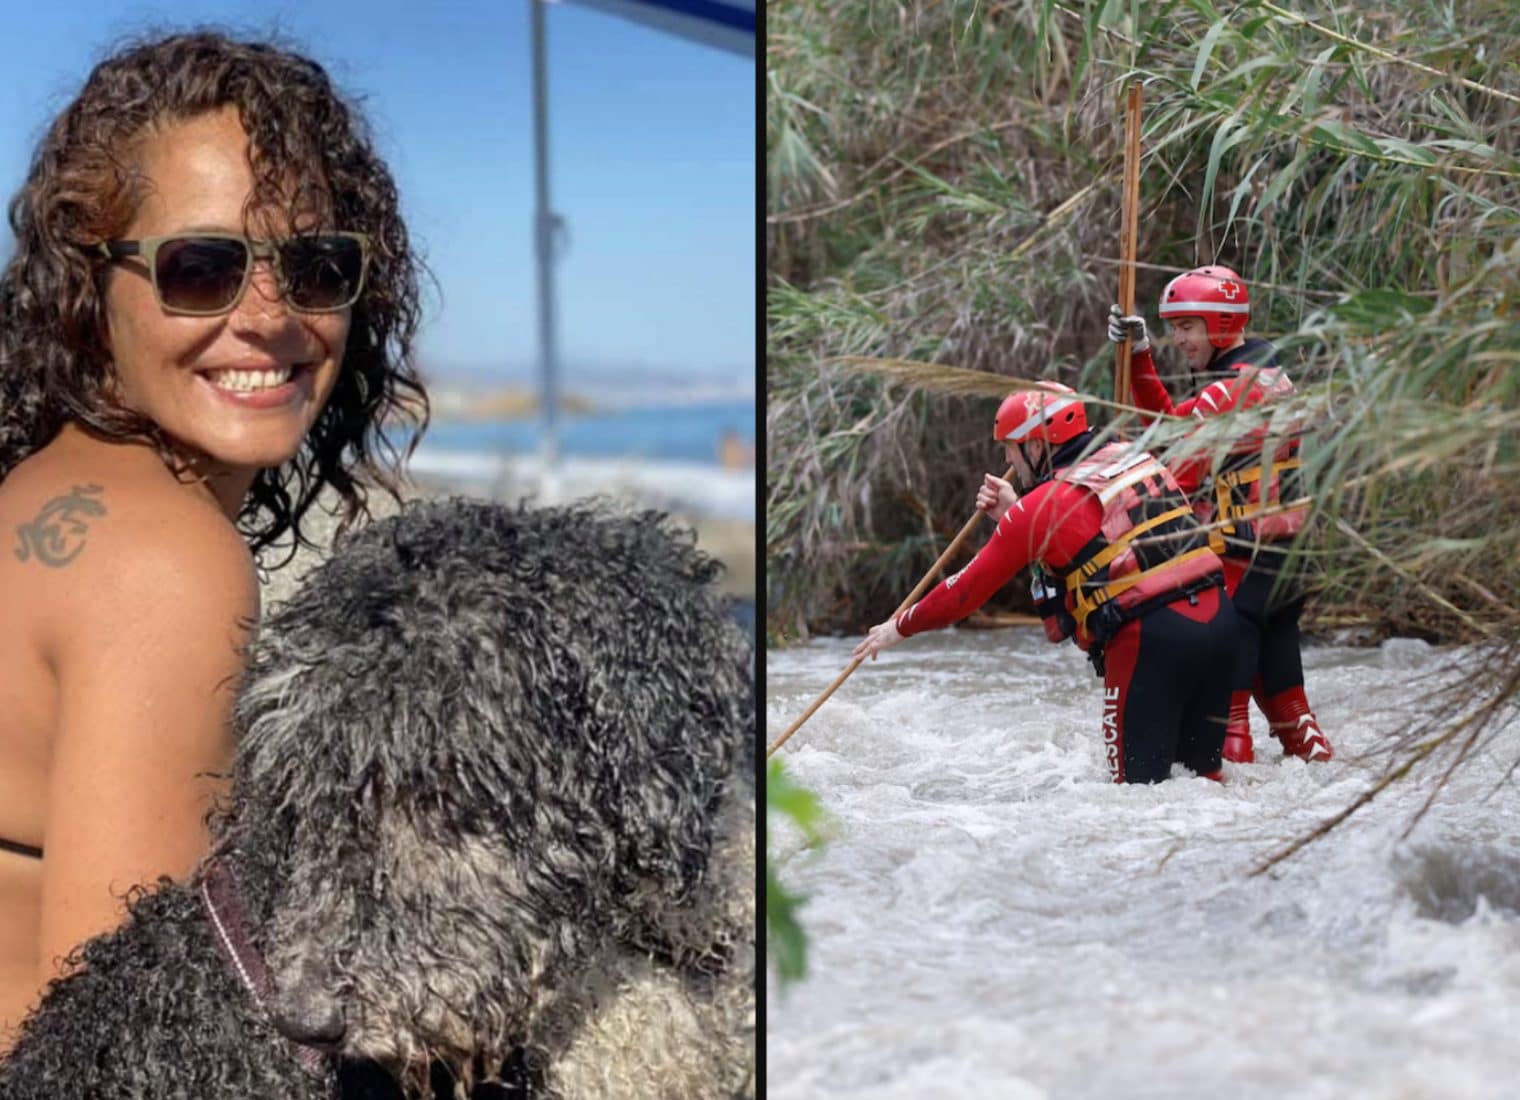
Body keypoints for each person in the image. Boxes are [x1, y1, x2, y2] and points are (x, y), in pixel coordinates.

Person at [0, 31, 427, 1049]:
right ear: (88, 293)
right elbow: (117, 1039)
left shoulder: (45, 484)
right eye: (203, 268)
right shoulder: (163, 560)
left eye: (314, 266)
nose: (270, 316)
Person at [853, 384, 1240, 784]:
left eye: (1011, 446)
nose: (1006, 457)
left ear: (1037, 447)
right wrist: (1014, 512)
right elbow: (1095, 534)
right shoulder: (1135, 458)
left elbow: (964, 591)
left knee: (1136, 794)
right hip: (1221, 623)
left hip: (1153, 640)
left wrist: (897, 627)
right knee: (1203, 783)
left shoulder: (1036, 509)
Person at [1108, 265, 1333, 765]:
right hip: (1289, 559)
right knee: (1288, 704)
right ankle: (1314, 786)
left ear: (1221, 324)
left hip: (1245, 559)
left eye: (1189, 326)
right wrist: (1142, 356)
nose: (1179, 338)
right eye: (1174, 326)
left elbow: (1172, 453)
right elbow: (1176, 430)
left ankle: (1228, 809)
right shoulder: (1265, 372)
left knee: (1226, 711)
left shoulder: (1231, 390)